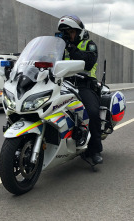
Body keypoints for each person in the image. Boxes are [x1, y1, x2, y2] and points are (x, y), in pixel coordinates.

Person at [57, 15, 103, 164]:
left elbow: (88, 63)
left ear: (79, 32)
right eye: (65, 33)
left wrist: (70, 47)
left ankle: (94, 150)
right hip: (63, 84)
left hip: (84, 85)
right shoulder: (60, 48)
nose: (67, 36)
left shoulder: (89, 45)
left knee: (92, 112)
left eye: (70, 32)